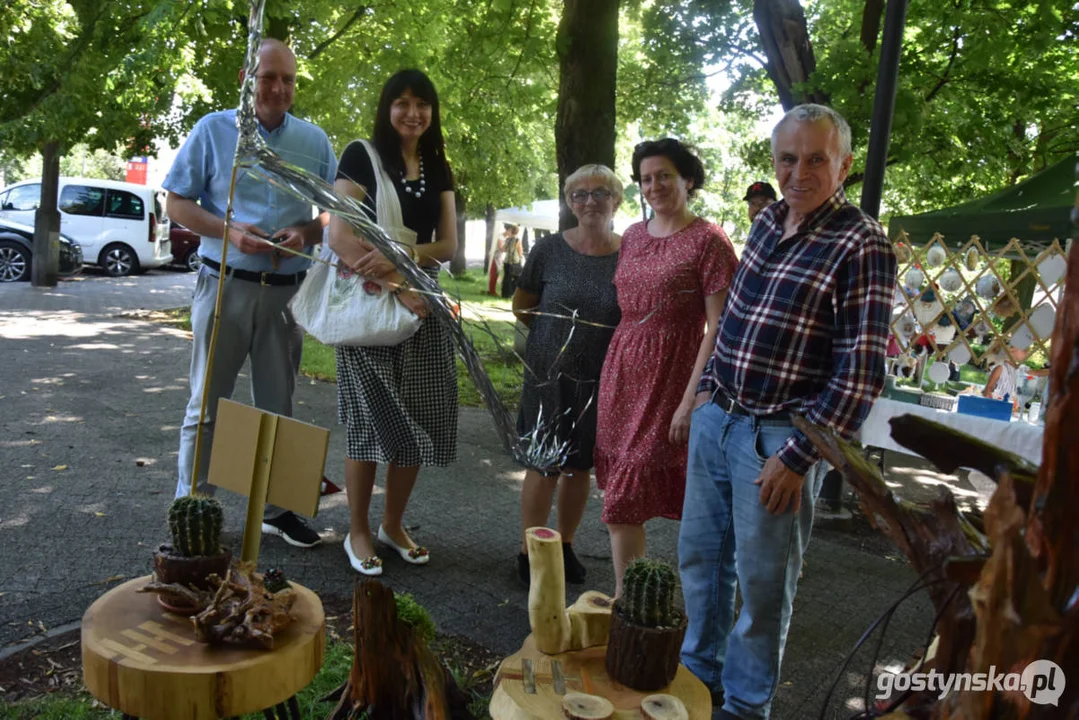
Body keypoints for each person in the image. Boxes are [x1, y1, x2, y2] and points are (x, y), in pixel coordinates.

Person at [679, 104, 897, 720]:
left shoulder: (862, 241)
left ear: (845, 165)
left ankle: (745, 709)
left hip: (782, 439)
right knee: (699, 562)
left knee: (765, 590)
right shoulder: (769, 218)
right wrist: (705, 393)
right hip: (719, 418)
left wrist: (799, 458)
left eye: (815, 159)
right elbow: (737, 319)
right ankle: (698, 685)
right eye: (787, 158)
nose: (798, 172)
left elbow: (860, 373)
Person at [164, 38, 337, 548]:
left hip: (285, 295)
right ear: (247, 77)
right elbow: (176, 202)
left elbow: (333, 212)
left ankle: (278, 510)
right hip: (224, 288)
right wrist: (229, 231)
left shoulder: (314, 141)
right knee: (206, 407)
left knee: (278, 408)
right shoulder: (214, 130)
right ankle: (194, 509)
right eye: (269, 77)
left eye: (287, 80)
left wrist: (307, 233)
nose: (278, 88)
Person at [328, 69, 458, 576]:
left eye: (422, 103)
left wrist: (402, 257)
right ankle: (357, 531)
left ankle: (392, 524)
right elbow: (340, 234)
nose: (413, 112)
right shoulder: (361, 155)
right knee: (368, 421)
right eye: (402, 102)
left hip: (423, 301)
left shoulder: (437, 164)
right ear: (387, 107)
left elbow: (447, 245)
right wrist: (396, 280)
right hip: (370, 302)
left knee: (418, 416)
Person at [595, 138, 737, 598]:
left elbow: (717, 326)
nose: (653, 186)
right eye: (646, 178)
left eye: (664, 176)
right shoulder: (633, 235)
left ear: (688, 180)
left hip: (673, 372)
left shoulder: (709, 241)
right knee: (619, 488)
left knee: (633, 489)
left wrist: (691, 398)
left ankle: (664, 602)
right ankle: (628, 599)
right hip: (622, 367)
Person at [513, 164, 623, 588]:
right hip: (548, 375)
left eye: (600, 193)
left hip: (601, 378)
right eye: (579, 194)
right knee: (544, 464)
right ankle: (529, 551)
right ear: (569, 202)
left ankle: (565, 544)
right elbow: (522, 306)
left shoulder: (629, 251)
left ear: (616, 200)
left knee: (580, 467)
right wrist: (553, 341)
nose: (589, 201)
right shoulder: (548, 250)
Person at [501, 224, 524, 298]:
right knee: (518, 278)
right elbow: (520, 251)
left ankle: (505, 294)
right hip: (515, 261)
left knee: (506, 278)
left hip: (507, 261)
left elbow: (504, 249)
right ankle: (511, 292)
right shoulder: (517, 240)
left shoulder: (508, 239)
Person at [488, 224, 512, 295]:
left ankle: (493, 290)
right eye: (510, 231)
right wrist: (510, 248)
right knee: (494, 274)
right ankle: (492, 291)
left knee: (497, 273)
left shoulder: (505, 238)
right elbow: (501, 248)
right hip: (494, 256)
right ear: (507, 230)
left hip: (499, 257)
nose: (511, 233)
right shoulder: (500, 237)